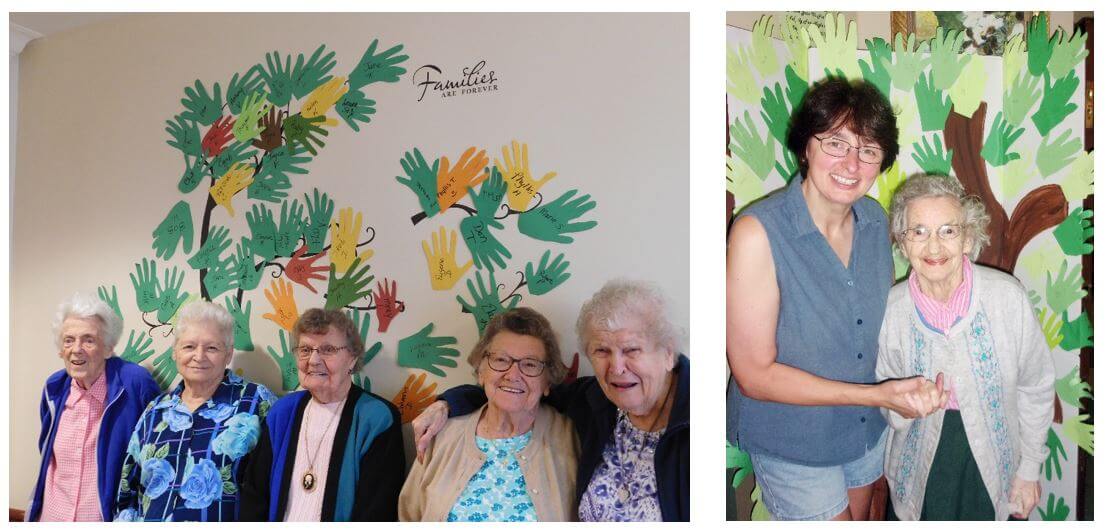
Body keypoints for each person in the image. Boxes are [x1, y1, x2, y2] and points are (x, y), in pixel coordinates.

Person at [726, 77, 944, 521]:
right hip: (794, 439)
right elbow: (754, 376)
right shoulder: (757, 233)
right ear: (805, 146)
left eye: (868, 149)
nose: (851, 162)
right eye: (835, 143)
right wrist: (877, 397)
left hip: (863, 431)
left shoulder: (874, 221)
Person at [414, 280, 689, 521]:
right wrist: (447, 402)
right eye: (602, 350)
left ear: (668, 353)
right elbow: (512, 392)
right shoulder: (595, 400)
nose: (617, 367)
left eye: (631, 349)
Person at [877, 174, 1054, 520]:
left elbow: (1036, 388)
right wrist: (905, 405)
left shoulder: (1007, 299)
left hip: (993, 464)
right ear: (902, 241)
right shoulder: (891, 311)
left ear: (968, 238)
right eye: (919, 232)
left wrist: (1030, 468)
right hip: (921, 473)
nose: (933, 247)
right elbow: (885, 399)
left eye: (948, 231)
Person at [400, 307, 578, 521]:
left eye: (530, 364)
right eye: (501, 360)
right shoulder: (441, 432)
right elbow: (409, 514)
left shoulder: (573, 437)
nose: (513, 375)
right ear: (481, 371)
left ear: (547, 382)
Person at [114, 301, 276, 521]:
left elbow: (275, 487)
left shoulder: (257, 402)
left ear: (228, 354)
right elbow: (128, 489)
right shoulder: (155, 410)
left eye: (212, 348)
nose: (199, 356)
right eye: (189, 346)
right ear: (175, 353)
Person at [240, 308, 405, 521]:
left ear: (352, 358)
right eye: (305, 350)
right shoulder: (282, 412)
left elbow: (376, 511)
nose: (314, 360)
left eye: (327, 350)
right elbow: (255, 498)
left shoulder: (377, 418)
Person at [27, 293, 161, 521]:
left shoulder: (135, 384)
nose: (76, 349)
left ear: (109, 348)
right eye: (68, 340)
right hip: (52, 516)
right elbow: (48, 454)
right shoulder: (54, 387)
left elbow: (155, 457)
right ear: (61, 348)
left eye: (88, 340)